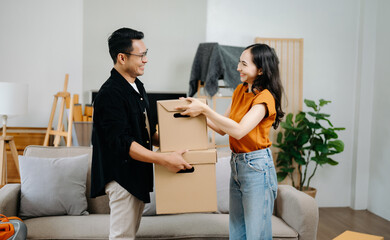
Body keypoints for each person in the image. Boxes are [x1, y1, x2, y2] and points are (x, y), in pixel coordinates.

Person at [90, 27, 192, 240]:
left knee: (129, 236)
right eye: (141, 55)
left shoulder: (137, 87)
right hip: (122, 178)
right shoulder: (109, 94)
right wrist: (164, 160)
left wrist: (183, 140)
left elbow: (145, 132)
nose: (146, 60)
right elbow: (123, 142)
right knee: (122, 237)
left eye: (146, 54)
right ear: (121, 57)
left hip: (136, 176)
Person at [177, 43, 285, 240]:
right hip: (237, 164)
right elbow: (223, 128)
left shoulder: (265, 98)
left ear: (260, 69)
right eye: (238, 63)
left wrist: (205, 109)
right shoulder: (240, 90)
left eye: (244, 64)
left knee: (256, 235)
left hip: (257, 167)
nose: (237, 68)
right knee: (238, 232)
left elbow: (239, 130)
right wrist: (194, 114)